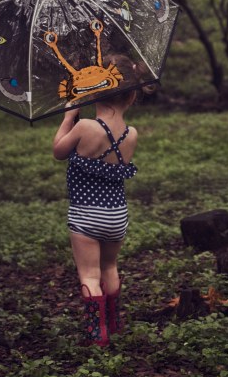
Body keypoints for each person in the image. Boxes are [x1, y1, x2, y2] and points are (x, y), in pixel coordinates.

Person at [51, 55, 146, 347]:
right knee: (109, 268)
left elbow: (58, 151)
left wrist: (69, 118)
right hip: (116, 215)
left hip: (85, 216)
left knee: (89, 274)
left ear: (92, 92)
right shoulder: (131, 134)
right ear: (131, 96)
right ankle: (114, 322)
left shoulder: (85, 128)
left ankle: (97, 332)